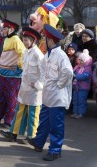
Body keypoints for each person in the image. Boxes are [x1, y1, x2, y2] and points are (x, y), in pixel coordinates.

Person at [27, 24, 73, 161]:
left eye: (45, 39)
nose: (43, 41)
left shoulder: (60, 55)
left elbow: (68, 72)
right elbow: (44, 71)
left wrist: (59, 85)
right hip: (48, 95)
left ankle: (55, 150)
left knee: (56, 125)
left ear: (51, 41)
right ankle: (38, 142)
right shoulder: (49, 54)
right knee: (44, 121)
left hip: (57, 96)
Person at [0, 27, 44, 141]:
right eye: (23, 40)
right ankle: (13, 133)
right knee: (19, 111)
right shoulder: (26, 52)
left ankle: (33, 137)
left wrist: (39, 85)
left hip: (34, 90)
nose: (24, 42)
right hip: (24, 87)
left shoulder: (38, 54)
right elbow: (23, 68)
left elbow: (45, 72)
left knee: (33, 114)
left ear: (33, 41)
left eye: (26, 40)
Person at [0, 19, 26, 128]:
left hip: (12, 75)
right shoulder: (6, 39)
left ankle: (9, 121)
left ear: (11, 29)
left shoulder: (16, 39)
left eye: (4, 28)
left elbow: (23, 54)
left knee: (11, 99)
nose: (2, 30)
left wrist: (19, 67)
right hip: (3, 72)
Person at [71, 49, 93, 119]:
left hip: (83, 87)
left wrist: (76, 76)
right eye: (79, 60)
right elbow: (73, 73)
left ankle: (81, 113)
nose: (80, 62)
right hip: (75, 87)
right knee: (75, 100)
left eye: (82, 60)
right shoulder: (77, 67)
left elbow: (86, 76)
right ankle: (75, 112)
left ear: (86, 61)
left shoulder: (88, 68)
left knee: (81, 101)